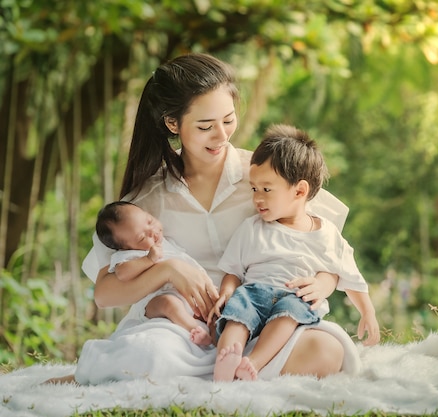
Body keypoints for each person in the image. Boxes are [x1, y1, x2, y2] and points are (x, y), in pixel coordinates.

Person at [47, 52, 361, 385]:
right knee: (151, 354)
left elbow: (328, 249)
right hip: (180, 330)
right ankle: (217, 375)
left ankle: (224, 371)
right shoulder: (145, 199)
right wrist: (168, 270)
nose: (222, 135)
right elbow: (105, 295)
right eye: (205, 126)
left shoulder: (266, 176)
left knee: (326, 350)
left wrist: (323, 283)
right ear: (173, 123)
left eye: (228, 120)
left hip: (259, 322)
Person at [211, 124, 380, 382]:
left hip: (294, 297)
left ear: (300, 191)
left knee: (288, 314)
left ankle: (252, 363)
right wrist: (227, 291)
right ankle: (225, 360)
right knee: (237, 315)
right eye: (254, 188)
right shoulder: (252, 228)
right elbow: (233, 271)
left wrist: (368, 313)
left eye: (266, 189)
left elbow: (351, 276)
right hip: (254, 293)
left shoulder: (327, 233)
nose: (257, 198)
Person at [95, 201, 211, 346]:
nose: (151, 231)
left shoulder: (166, 243)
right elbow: (122, 273)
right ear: (124, 248)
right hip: (155, 299)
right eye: (142, 238)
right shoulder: (131, 255)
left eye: (149, 221)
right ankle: (195, 330)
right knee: (169, 304)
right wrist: (148, 260)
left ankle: (211, 333)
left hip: (187, 296)